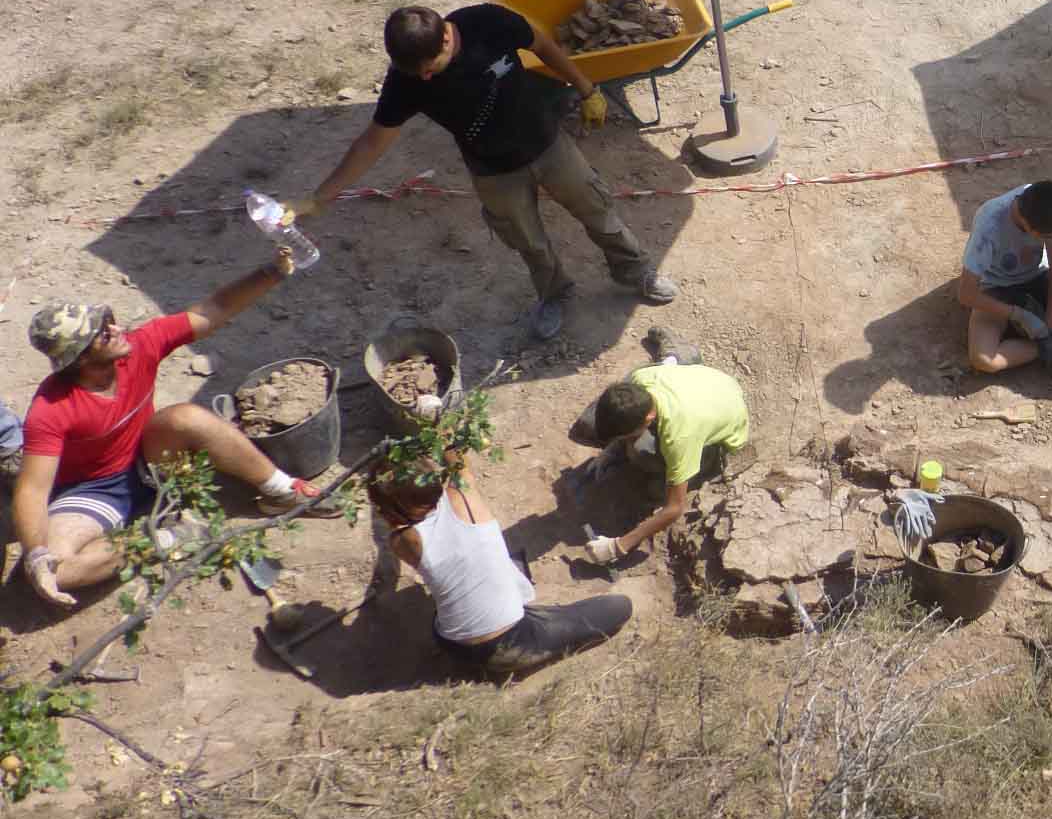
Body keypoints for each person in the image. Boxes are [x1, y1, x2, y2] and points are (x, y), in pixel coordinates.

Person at [296, 5, 676, 340]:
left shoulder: (488, 23)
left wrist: (586, 87)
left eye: (431, 69)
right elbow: (372, 142)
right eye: (418, 73)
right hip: (492, 170)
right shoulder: (406, 79)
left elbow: (541, 43)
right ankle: (554, 294)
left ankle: (635, 270)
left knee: (596, 208)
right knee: (528, 241)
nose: (425, 79)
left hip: (547, 142)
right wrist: (320, 196)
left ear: (446, 37)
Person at [12, 254, 313, 610]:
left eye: (107, 320)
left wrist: (271, 271)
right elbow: (32, 489)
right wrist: (36, 555)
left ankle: (283, 491)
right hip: (94, 492)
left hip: (150, 457)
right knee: (58, 570)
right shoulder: (51, 409)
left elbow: (212, 308)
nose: (115, 328)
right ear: (79, 359)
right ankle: (174, 537)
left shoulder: (138, 347)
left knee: (186, 417)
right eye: (100, 332)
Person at [367, 458, 632, 674]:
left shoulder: (402, 541)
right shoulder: (464, 496)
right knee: (621, 606)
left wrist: (389, 501)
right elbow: (454, 455)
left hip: (451, 642)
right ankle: (521, 647)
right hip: (510, 645)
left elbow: (401, 522)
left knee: (489, 571)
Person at [573, 331, 750, 565]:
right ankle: (680, 355)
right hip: (703, 383)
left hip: (722, 434)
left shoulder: (680, 435)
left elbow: (674, 508)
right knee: (588, 425)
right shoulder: (640, 379)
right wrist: (609, 452)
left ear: (648, 418)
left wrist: (618, 547)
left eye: (625, 435)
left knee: (648, 471)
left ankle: (708, 468)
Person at [954, 180, 1052, 375]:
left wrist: (1051, 319)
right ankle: (1050, 344)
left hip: (1037, 276)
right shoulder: (989, 226)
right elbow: (966, 294)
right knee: (983, 360)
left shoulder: (1047, 206)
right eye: (1046, 237)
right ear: (1030, 228)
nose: (1051, 241)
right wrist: (1019, 315)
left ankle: (1048, 337)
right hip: (995, 288)